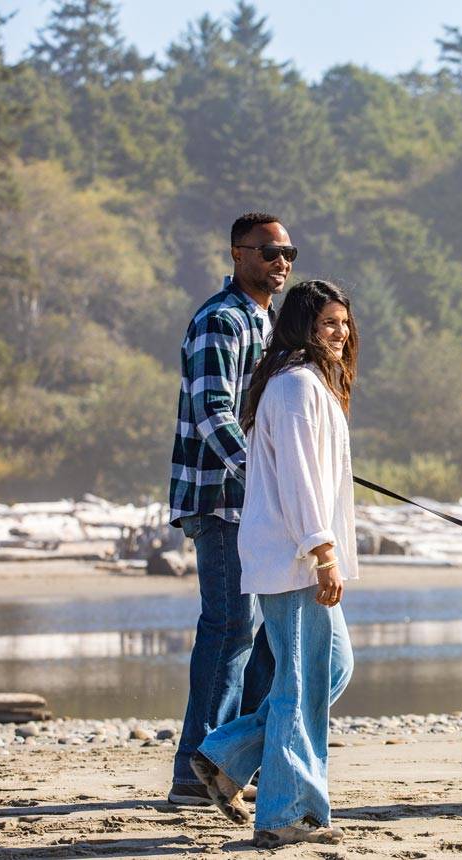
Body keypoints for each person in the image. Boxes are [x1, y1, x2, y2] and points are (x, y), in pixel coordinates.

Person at [190, 280, 359, 849]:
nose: (339, 332)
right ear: (301, 326)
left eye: (343, 322)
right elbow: (298, 481)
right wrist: (323, 552)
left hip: (299, 555)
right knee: (300, 680)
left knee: (330, 670)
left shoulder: (310, 385)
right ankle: (287, 813)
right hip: (293, 558)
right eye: (328, 323)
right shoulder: (293, 388)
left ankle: (225, 755)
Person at [167, 212, 298, 805]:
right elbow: (213, 412)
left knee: (265, 633)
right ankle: (195, 771)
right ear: (237, 254)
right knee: (228, 629)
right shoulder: (222, 320)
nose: (281, 262)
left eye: (288, 252)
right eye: (269, 251)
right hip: (221, 500)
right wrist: (263, 474)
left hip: (257, 502)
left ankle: (229, 764)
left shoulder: (265, 323)